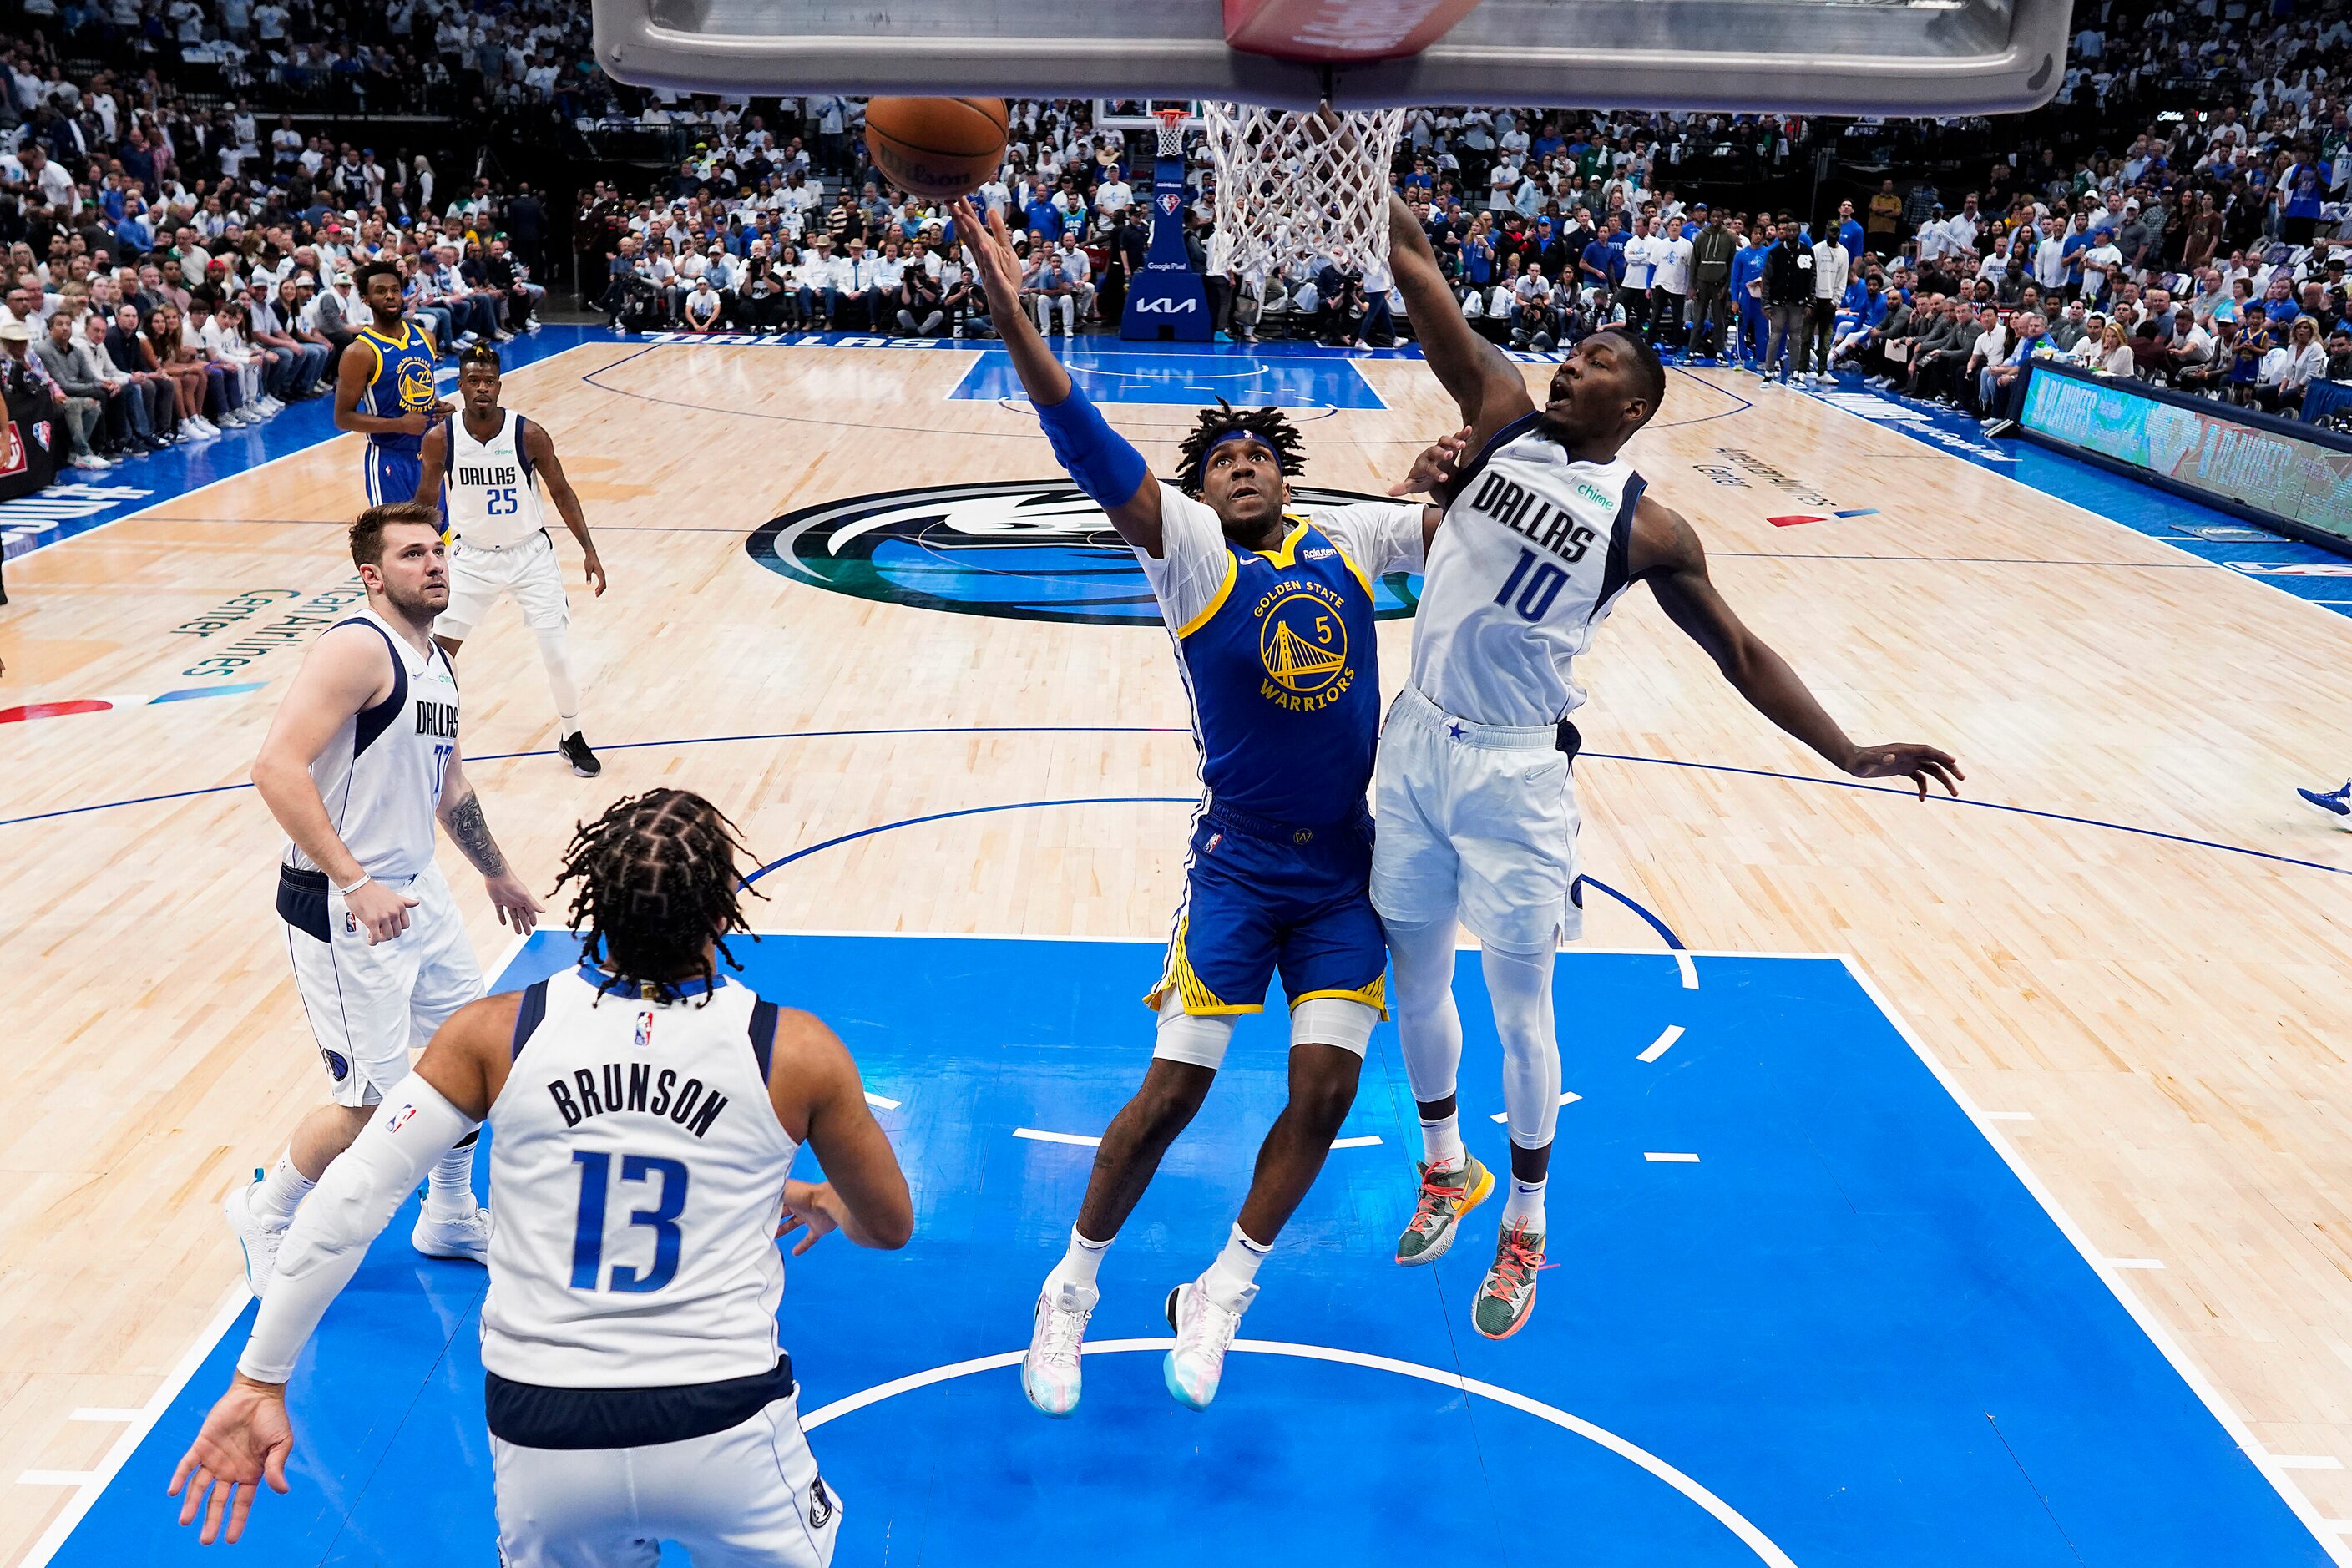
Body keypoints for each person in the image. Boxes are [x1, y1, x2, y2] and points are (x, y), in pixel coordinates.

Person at [1379, 193, 1962, 1339]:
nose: (1568, 362)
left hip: (1514, 776)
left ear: (1633, 405)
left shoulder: (1650, 530)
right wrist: (1364, 150)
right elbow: (1417, 272)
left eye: (1596, 359)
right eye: (1571, 349)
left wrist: (1845, 748)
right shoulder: (1496, 413)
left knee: (1520, 1009)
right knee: (1413, 976)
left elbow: (1742, 652)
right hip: (1414, 743)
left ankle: (1529, 1222)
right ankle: (1444, 1163)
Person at [953, 198, 1437, 1414]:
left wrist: (1468, 469)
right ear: (1198, 492)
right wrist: (1013, 310)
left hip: (1345, 871)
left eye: (1258, 455)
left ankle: (1222, 1286)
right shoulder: (1189, 558)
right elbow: (1080, 435)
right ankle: (1069, 1286)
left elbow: (1461, 534)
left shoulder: (1352, 540)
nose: (1242, 466)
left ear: (1286, 470)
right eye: (1220, 461)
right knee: (1173, 1094)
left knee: (1325, 1089)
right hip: (1238, 865)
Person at [171, 787, 912, 1564]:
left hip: (544, 1432)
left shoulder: (494, 1033)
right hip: (721, 1424)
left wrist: (259, 1380)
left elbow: (348, 1203)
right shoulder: (792, 1051)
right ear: (725, 908)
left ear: (591, 904)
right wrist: (820, 1197)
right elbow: (888, 1225)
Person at [224, 503, 543, 1298]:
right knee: (369, 1105)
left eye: (438, 551)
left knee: (471, 1063)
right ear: (372, 576)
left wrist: (494, 870)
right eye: (411, 556)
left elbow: (450, 783)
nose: (435, 564)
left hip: (418, 894)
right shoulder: (357, 648)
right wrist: (356, 882)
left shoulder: (435, 659)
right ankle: (264, 1213)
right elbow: (275, 768)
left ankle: (448, 1212)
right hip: (344, 906)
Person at [415, 346, 609, 778]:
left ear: (499, 386)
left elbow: (561, 491)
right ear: (461, 385)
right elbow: (427, 501)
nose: (481, 388)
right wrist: (420, 553)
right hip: (471, 556)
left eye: (489, 381)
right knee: (439, 655)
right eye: (473, 380)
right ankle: (435, 741)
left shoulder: (529, 434)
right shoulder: (440, 439)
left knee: (557, 653)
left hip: (530, 555)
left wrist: (589, 549)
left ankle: (571, 734)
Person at [336, 261, 451, 508]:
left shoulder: (426, 338)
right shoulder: (360, 352)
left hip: (430, 457)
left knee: (438, 540)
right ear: (366, 299)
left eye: (395, 289)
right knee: (396, 541)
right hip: (389, 460)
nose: (390, 295)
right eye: (380, 290)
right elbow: (343, 418)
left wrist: (441, 409)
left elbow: (417, 393)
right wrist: (398, 424)